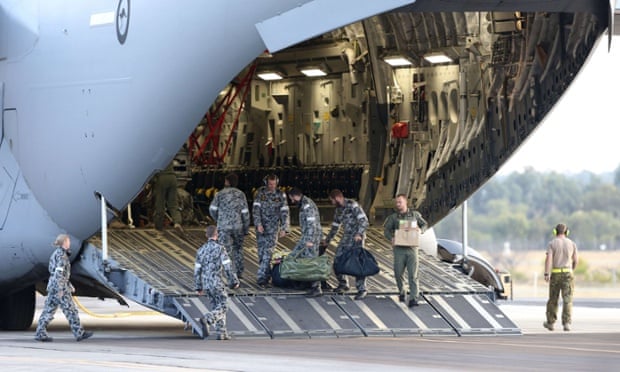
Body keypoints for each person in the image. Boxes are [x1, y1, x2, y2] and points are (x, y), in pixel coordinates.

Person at [34, 234, 93, 342]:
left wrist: (68, 284)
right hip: (59, 287)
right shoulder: (62, 256)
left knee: (48, 310)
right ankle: (79, 333)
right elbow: (59, 273)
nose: (69, 243)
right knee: (71, 311)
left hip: (53, 286)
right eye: (68, 241)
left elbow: (57, 272)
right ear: (64, 242)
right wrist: (61, 288)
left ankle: (40, 333)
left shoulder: (56, 254)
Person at [322, 189, 370, 300]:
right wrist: (327, 240)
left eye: (332, 201)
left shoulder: (353, 205)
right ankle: (343, 284)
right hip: (346, 238)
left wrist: (359, 233)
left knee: (358, 264)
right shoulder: (338, 210)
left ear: (337, 198)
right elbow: (335, 227)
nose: (332, 203)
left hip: (357, 239)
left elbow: (364, 221)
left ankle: (362, 289)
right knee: (338, 260)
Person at [194, 225, 240, 340]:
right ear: (217, 235)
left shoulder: (200, 250)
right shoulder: (220, 249)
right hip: (216, 282)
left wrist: (198, 287)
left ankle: (221, 333)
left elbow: (197, 270)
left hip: (206, 283)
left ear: (206, 235)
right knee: (224, 305)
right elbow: (227, 266)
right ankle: (208, 319)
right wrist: (234, 281)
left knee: (216, 305)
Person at [383, 194, 427, 308]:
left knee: (413, 275)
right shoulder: (393, 217)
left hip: (412, 249)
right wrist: (391, 238)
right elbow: (386, 230)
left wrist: (420, 230)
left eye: (400, 202)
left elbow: (424, 224)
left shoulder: (415, 215)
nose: (398, 204)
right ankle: (402, 291)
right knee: (398, 273)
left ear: (405, 202)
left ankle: (413, 298)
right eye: (397, 202)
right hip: (399, 249)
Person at [209, 173, 250, 278]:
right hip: (238, 226)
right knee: (238, 248)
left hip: (224, 226)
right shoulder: (241, 194)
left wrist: (218, 219)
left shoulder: (220, 194)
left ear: (227, 182)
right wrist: (246, 228)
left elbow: (212, 209)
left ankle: (228, 273)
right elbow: (245, 212)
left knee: (225, 250)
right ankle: (239, 272)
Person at [252, 174, 290, 287]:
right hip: (261, 228)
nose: (272, 186)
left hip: (273, 228)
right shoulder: (260, 193)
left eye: (274, 184)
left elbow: (285, 212)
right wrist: (258, 224)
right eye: (270, 184)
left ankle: (261, 278)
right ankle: (267, 275)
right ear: (266, 183)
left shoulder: (281, 195)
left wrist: (284, 228)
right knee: (261, 253)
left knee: (268, 252)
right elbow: (255, 210)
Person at [287, 188, 323, 297]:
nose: (292, 201)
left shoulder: (307, 205)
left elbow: (311, 224)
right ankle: (305, 282)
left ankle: (316, 287)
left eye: (292, 199)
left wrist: (310, 240)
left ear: (294, 196)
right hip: (307, 236)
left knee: (311, 262)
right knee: (303, 259)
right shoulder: (305, 203)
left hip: (311, 238)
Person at [543, 223, 578, 332]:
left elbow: (548, 259)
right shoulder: (572, 244)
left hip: (556, 274)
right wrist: (571, 269)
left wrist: (546, 273)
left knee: (553, 299)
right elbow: (576, 260)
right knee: (567, 300)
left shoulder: (552, 243)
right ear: (567, 232)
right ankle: (566, 323)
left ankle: (550, 323)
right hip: (568, 274)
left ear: (555, 232)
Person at [153, 161, 183, 231]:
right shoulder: (168, 152)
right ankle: (177, 222)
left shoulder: (156, 154)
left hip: (162, 177)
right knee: (173, 203)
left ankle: (159, 225)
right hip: (172, 177)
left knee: (160, 202)